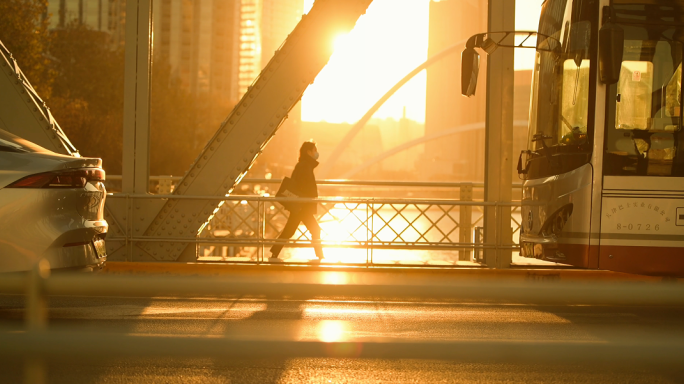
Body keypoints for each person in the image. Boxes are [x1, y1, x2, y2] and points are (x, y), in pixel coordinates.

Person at [270, 141, 324, 262]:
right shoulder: (305, 166)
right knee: (314, 229)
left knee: (290, 230)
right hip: (303, 205)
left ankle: (274, 253)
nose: (316, 153)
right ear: (308, 152)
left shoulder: (305, 165)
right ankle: (320, 256)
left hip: (301, 204)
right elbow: (301, 185)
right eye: (314, 150)